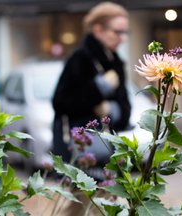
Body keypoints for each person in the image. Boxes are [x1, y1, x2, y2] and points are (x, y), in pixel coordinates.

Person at [52, 2, 131, 163]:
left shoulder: (116, 63)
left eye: (125, 32)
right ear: (98, 29)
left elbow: (125, 109)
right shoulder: (80, 58)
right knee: (81, 187)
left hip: (108, 149)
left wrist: (112, 109)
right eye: (117, 32)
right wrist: (99, 89)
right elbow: (60, 102)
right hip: (77, 148)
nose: (122, 38)